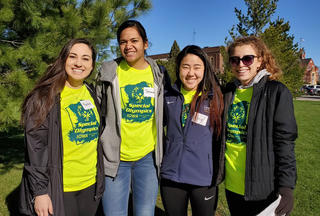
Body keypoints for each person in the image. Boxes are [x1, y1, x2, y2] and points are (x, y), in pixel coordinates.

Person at [19, 38, 105, 216]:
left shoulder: (90, 92)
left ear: (92, 65)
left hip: (90, 184)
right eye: (73, 56)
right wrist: (40, 192)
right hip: (60, 187)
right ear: (63, 59)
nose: (78, 63)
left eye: (85, 58)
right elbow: (35, 149)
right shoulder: (44, 96)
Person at [95, 20, 166, 216]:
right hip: (115, 159)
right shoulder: (109, 71)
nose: (128, 46)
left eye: (134, 40)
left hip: (147, 159)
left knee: (145, 213)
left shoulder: (158, 73)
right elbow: (97, 110)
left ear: (145, 43)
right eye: (123, 42)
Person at [223, 36, 297, 216]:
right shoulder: (228, 91)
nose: (241, 64)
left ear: (260, 61)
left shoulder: (276, 92)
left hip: (262, 188)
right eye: (235, 60)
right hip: (232, 185)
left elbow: (285, 142)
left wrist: (286, 186)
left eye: (247, 58)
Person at [160, 45, 224, 216]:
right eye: (185, 66)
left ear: (205, 69)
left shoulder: (215, 98)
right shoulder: (167, 96)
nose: (191, 73)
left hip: (203, 178)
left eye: (197, 67)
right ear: (178, 68)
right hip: (171, 176)